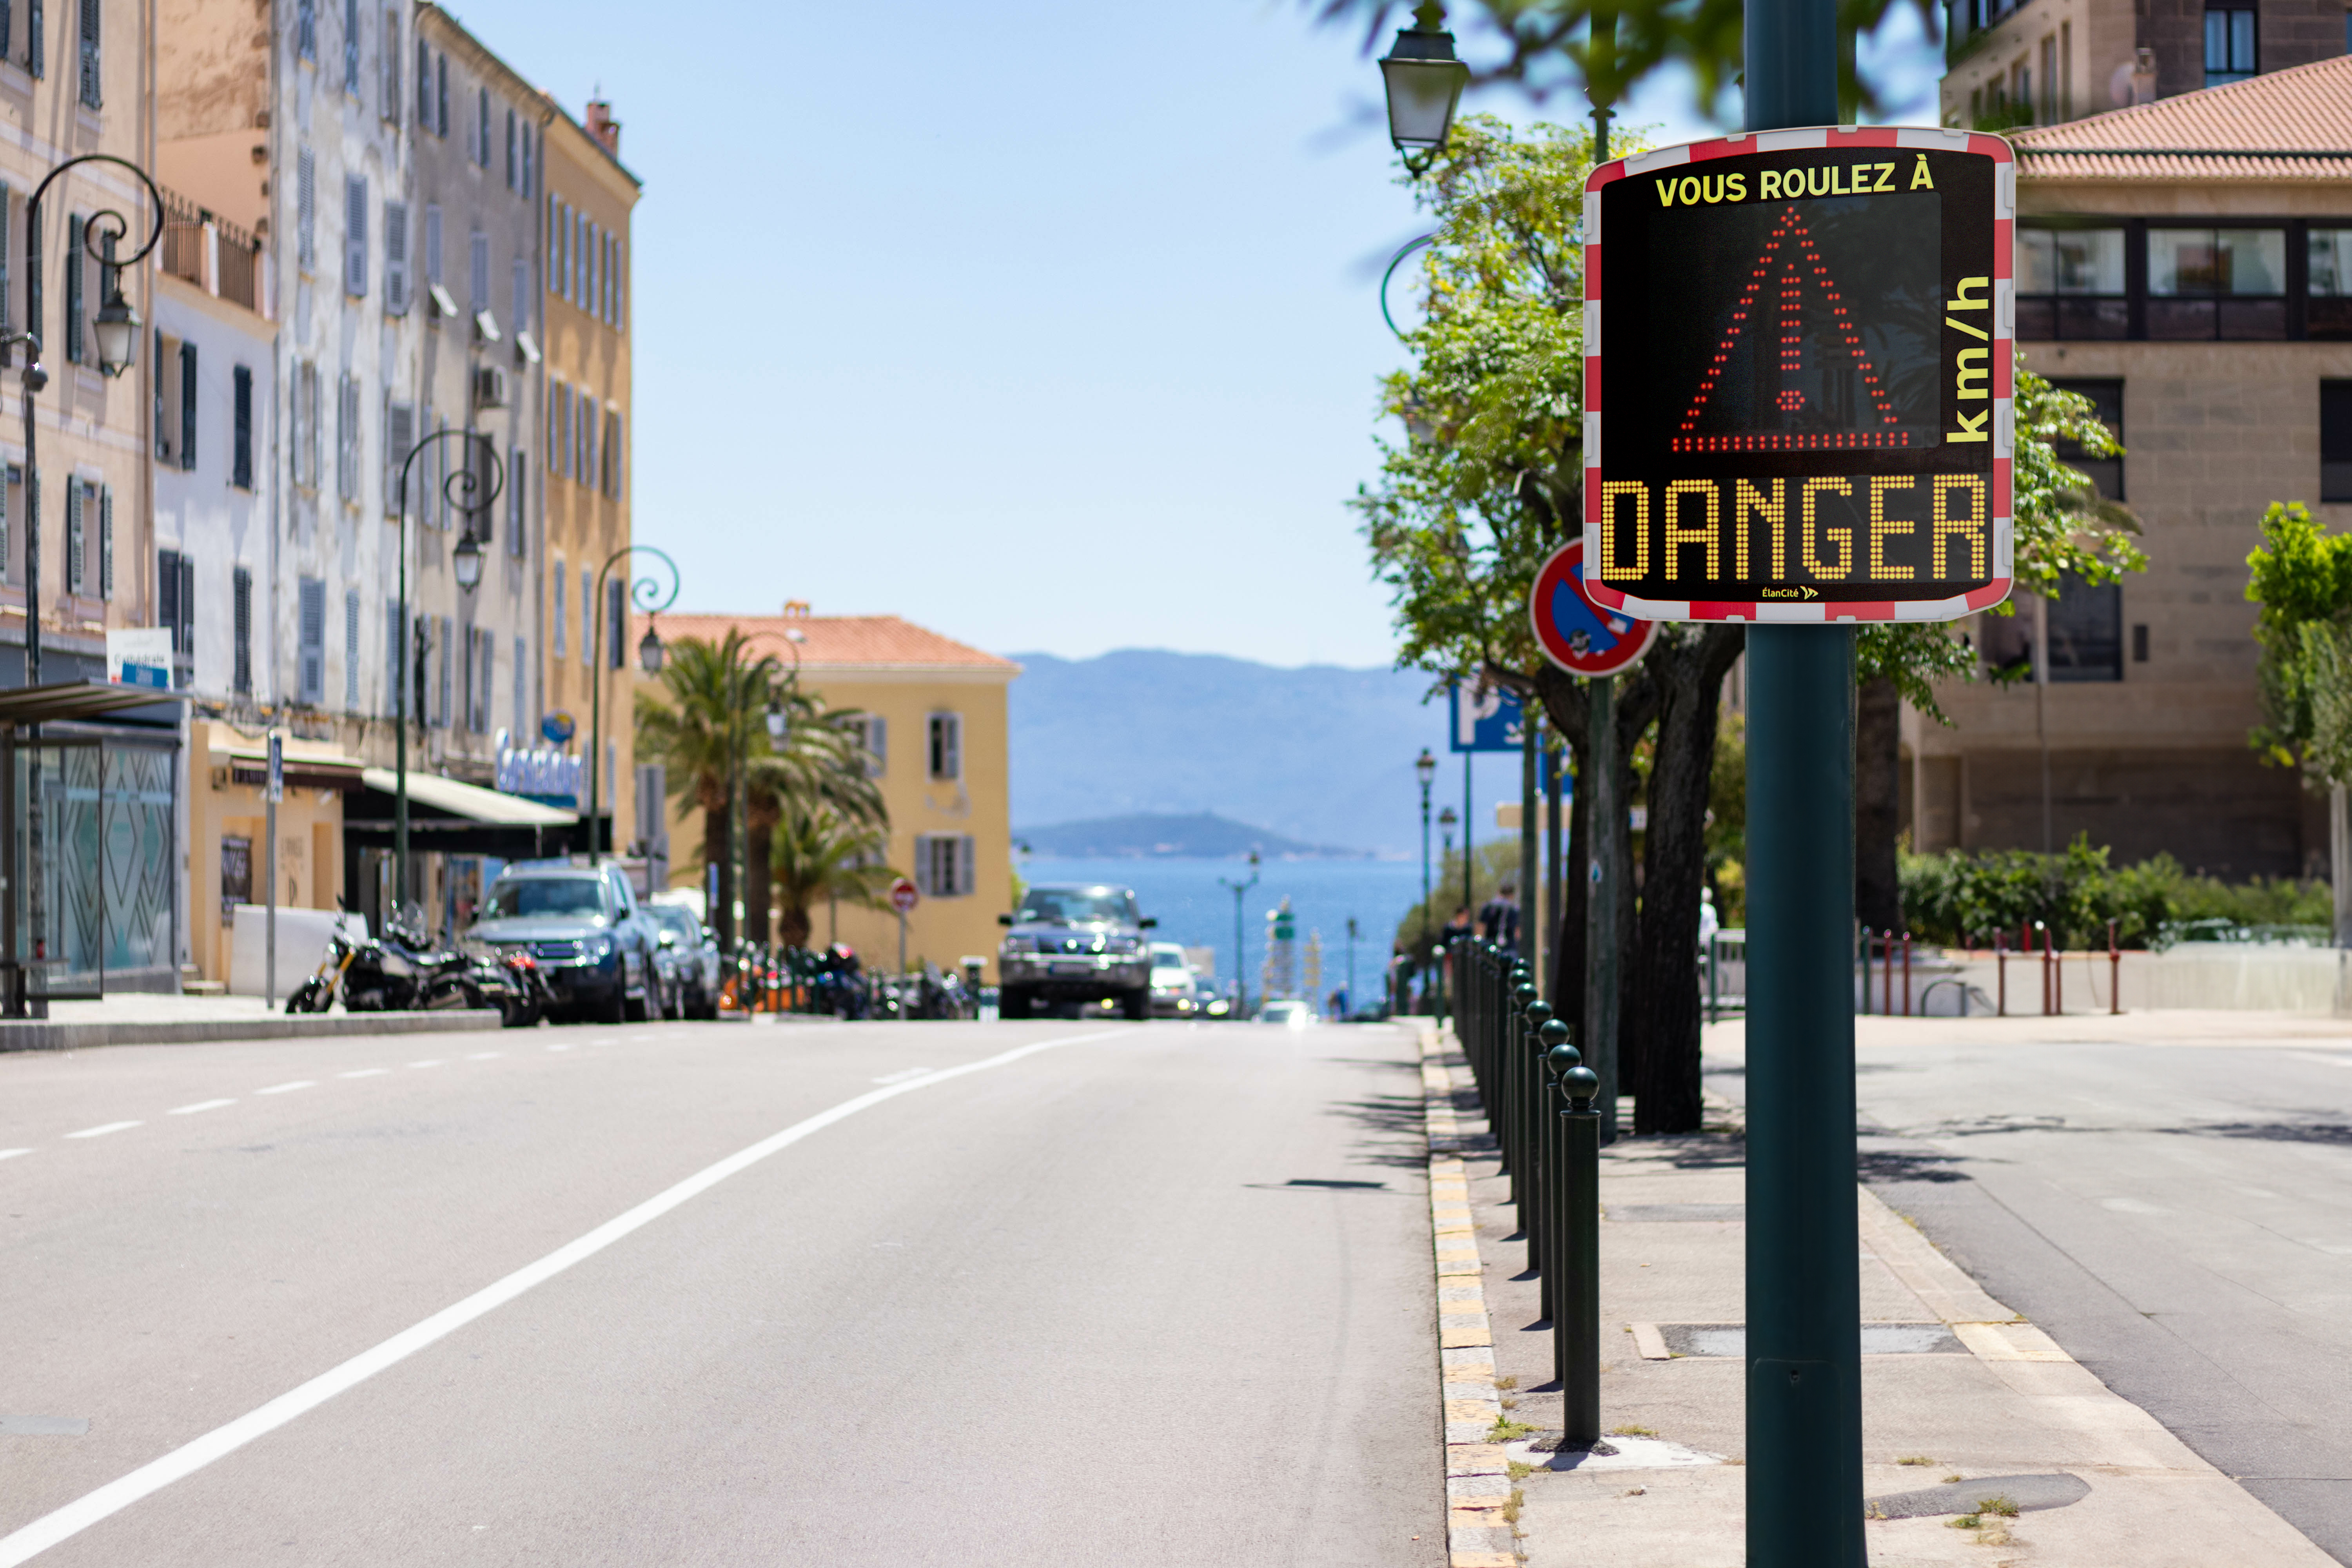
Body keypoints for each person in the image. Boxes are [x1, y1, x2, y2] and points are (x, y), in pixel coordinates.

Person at [1478, 878, 1522, 953]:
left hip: (1491, 946)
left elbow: (1480, 928)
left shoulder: (1489, 907)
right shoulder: (1514, 910)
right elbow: (1517, 933)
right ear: (1512, 895)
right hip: (1508, 948)